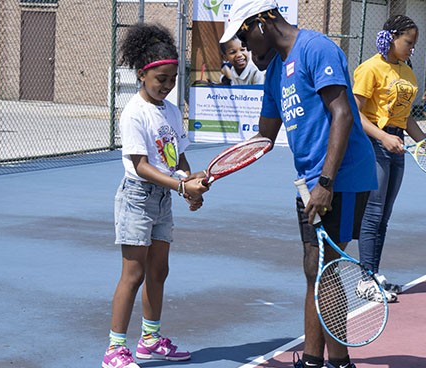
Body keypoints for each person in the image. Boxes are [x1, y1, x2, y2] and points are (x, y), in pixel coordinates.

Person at [219, 1, 377, 367]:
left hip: (343, 178)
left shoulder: (315, 48)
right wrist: (209, 174)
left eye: (244, 33)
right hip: (310, 183)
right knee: (313, 267)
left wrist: (326, 181)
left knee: (329, 267)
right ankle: (311, 360)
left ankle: (339, 362)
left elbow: (342, 114)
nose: (242, 45)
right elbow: (263, 137)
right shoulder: (275, 72)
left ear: (264, 20)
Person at [102, 23, 209, 368]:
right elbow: (142, 165)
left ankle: (149, 339)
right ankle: (115, 349)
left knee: (159, 271)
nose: (167, 85)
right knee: (133, 274)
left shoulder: (172, 111)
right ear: (141, 74)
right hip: (137, 197)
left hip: (162, 199)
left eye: (172, 78)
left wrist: (190, 180)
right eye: (160, 78)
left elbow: (176, 155)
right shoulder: (134, 112)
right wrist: (180, 185)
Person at [353, 15, 426, 303]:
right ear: (392, 37)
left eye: (414, 44)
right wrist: (383, 137)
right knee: (373, 212)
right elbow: (355, 114)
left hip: (396, 146)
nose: (411, 48)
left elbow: (406, 120)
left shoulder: (408, 73)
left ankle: (374, 274)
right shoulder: (370, 69)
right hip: (375, 145)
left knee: (385, 215)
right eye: (408, 42)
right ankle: (364, 279)